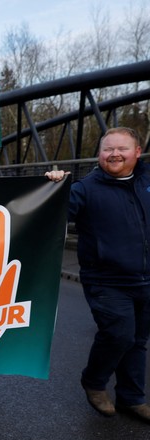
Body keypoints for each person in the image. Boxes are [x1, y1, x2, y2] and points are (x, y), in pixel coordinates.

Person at [47, 127, 150, 422]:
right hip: (106, 281)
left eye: (122, 148)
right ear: (99, 154)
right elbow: (51, 212)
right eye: (108, 149)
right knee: (119, 334)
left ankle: (132, 398)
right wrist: (54, 187)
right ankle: (94, 381)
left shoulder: (146, 181)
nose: (115, 154)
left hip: (146, 278)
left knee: (138, 340)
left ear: (137, 152)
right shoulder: (85, 188)